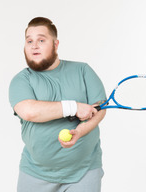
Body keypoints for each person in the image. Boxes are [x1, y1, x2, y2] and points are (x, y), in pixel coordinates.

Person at [9, 17, 107, 192]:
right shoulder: (21, 80)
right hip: (35, 173)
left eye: (41, 40)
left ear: (55, 44)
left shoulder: (83, 70)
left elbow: (100, 108)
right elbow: (29, 111)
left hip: (84, 172)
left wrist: (79, 131)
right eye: (29, 41)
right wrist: (75, 107)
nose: (34, 46)